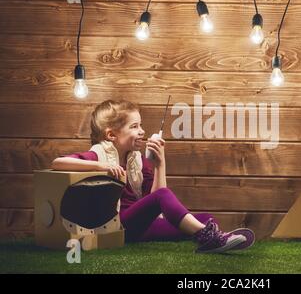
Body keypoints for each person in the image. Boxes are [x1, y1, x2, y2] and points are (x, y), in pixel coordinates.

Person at [51, 100, 254, 253]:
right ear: (111, 135)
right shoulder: (99, 153)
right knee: (192, 222)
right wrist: (100, 165)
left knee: (204, 218)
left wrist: (160, 162)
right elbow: (57, 163)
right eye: (134, 127)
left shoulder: (136, 160)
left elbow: (157, 199)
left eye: (141, 125)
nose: (142, 131)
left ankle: (207, 235)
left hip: (138, 226)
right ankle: (209, 238)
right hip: (116, 226)